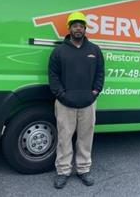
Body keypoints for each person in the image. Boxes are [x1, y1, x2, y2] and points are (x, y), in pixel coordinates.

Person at [48, 11, 105, 189]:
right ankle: (63, 171)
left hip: (88, 103)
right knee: (64, 138)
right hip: (65, 103)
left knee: (85, 138)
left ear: (85, 28)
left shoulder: (94, 50)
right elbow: (53, 75)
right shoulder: (59, 51)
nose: (78, 28)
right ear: (69, 28)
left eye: (81, 26)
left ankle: (83, 169)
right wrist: (61, 95)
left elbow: (100, 73)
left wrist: (95, 92)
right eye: (75, 25)